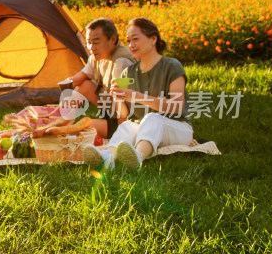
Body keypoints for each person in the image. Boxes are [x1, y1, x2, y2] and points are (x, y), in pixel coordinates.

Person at [82, 17, 192, 170]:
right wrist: (118, 97)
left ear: (153, 39)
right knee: (127, 125)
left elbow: (177, 107)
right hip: (145, 127)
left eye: (135, 39)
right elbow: (124, 115)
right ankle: (107, 158)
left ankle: (137, 158)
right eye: (128, 41)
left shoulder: (172, 66)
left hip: (178, 128)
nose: (131, 45)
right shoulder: (129, 72)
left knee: (153, 118)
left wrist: (137, 96)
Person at [62, 18, 135, 137]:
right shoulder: (97, 56)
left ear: (112, 39)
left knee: (82, 129)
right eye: (88, 43)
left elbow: (123, 110)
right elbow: (84, 75)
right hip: (109, 107)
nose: (91, 48)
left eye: (96, 42)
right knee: (84, 85)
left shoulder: (121, 62)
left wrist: (121, 135)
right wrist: (67, 84)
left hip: (125, 119)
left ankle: (112, 131)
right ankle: (61, 121)